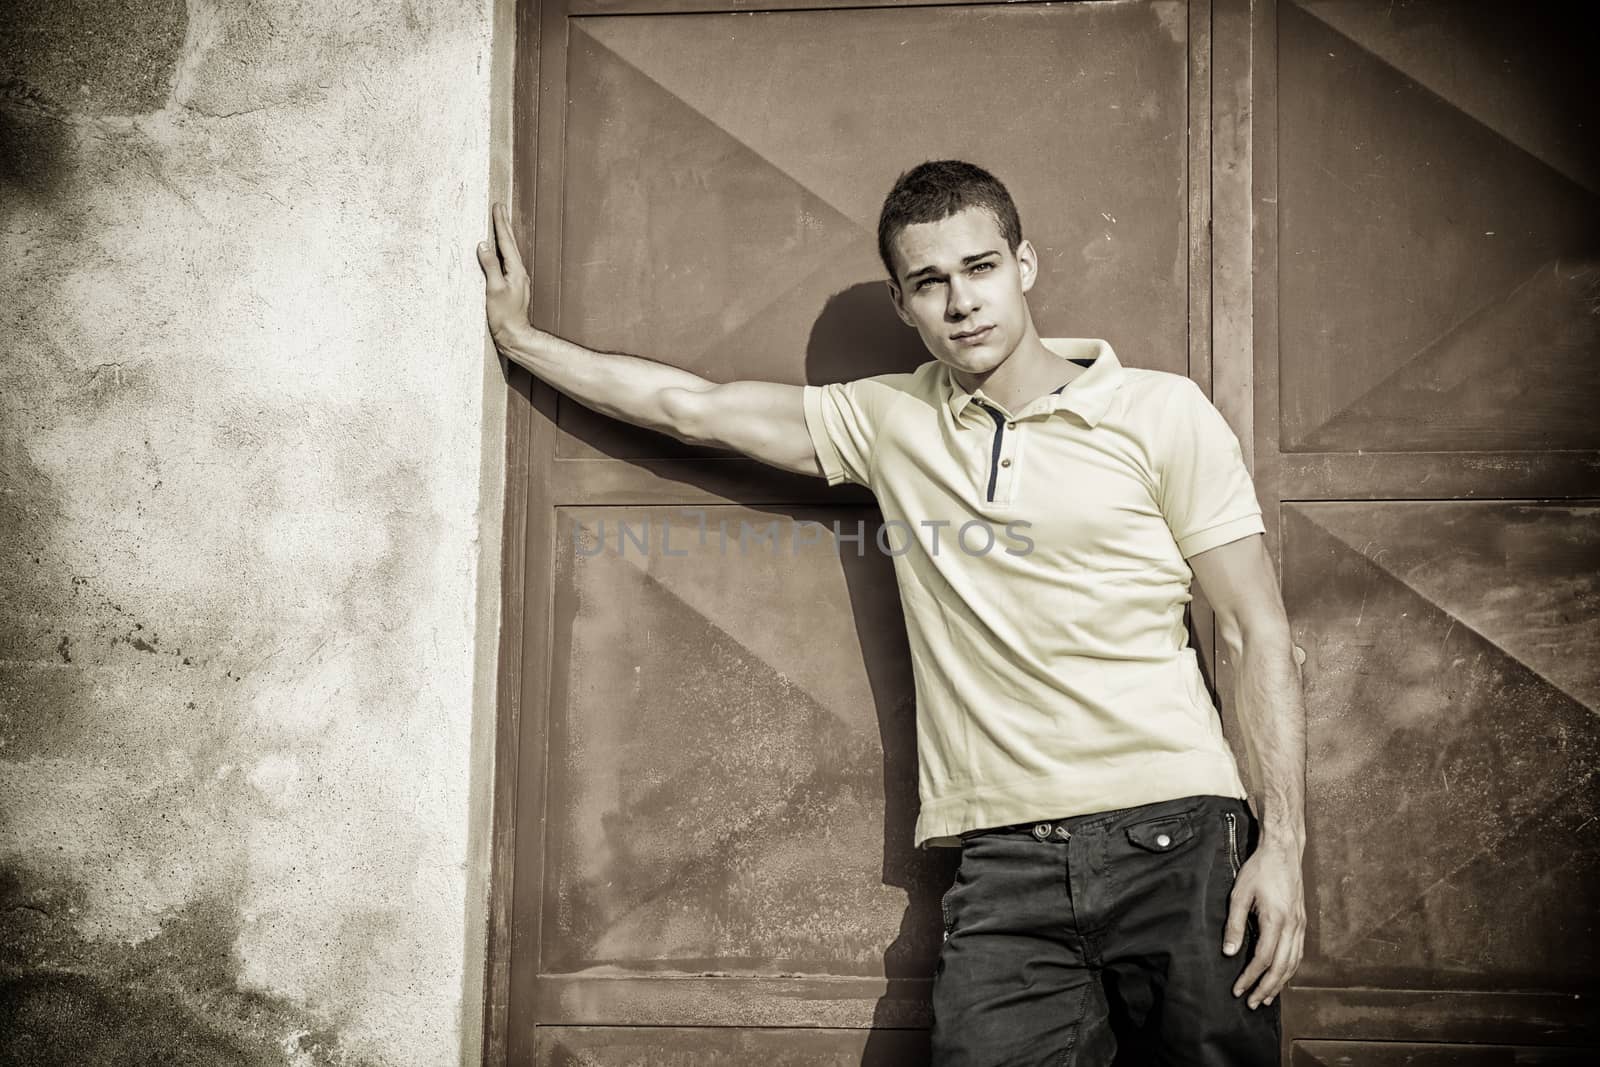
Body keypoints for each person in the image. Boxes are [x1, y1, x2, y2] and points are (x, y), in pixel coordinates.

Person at [477, 159, 1306, 1066]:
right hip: (1004, 863)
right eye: (930, 282)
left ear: (1025, 263)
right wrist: (520, 342)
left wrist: (1284, 849)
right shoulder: (890, 420)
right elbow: (695, 408)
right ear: (903, 301)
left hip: (1178, 836)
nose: (961, 302)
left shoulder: (1159, 412)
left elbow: (1252, 629)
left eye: (980, 267)